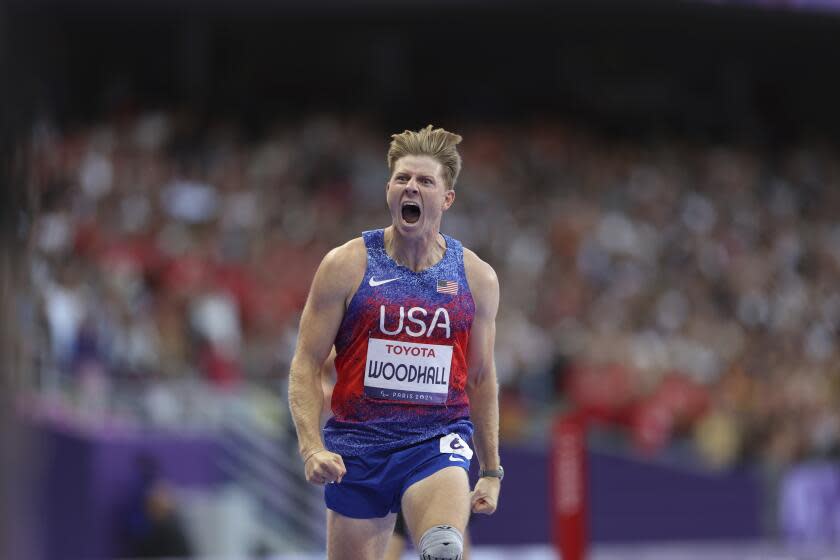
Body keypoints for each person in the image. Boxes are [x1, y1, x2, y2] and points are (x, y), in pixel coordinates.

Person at [288, 125, 503, 560]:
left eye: (425, 181)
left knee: (444, 549)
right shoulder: (346, 265)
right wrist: (312, 447)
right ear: (389, 189)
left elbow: (480, 378)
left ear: (446, 199)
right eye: (403, 178)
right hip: (358, 447)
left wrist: (492, 470)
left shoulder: (476, 278)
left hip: (436, 439)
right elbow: (306, 363)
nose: (412, 187)